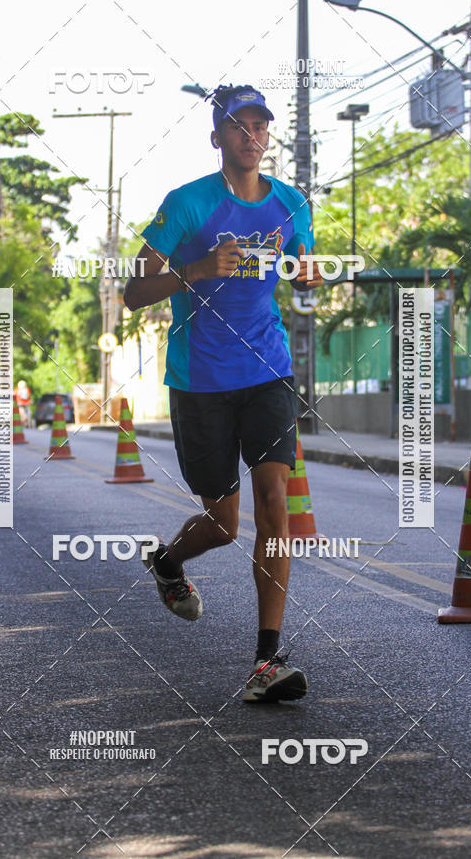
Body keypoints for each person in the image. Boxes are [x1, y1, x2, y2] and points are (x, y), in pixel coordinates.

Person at [124, 84, 323, 703]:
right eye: (239, 126)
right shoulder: (187, 204)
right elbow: (134, 291)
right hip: (201, 380)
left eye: (260, 125)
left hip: (268, 370)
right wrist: (199, 269)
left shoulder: (290, 203)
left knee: (275, 504)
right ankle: (167, 562)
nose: (251, 135)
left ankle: (268, 659)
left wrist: (308, 278)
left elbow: (301, 273)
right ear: (218, 138)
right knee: (223, 525)